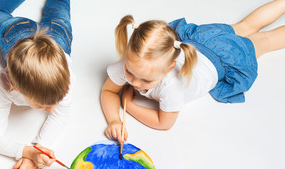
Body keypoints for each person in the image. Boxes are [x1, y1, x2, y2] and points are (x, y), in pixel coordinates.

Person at [101, 0, 285, 142]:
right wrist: (114, 120)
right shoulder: (133, 64)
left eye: (146, 81)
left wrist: (128, 105)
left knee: (263, 39)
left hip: (225, 58)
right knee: (245, 26)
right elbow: (108, 90)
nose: (134, 82)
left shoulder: (171, 87)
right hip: (204, 40)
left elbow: (163, 123)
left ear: (169, 68)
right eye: (130, 72)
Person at [0, 0, 74, 169]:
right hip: (16, 33)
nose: (53, 108)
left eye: (58, 99)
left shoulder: (66, 76)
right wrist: (28, 152)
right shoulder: (5, 85)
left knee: (59, 7)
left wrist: (40, 148)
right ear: (16, 88)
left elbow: (60, 115)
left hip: (57, 38)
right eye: (43, 106)